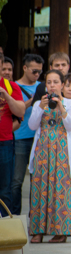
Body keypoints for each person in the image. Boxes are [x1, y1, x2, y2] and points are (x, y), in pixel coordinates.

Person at [27, 69, 71, 243]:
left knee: (60, 189)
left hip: (61, 152)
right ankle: (37, 231)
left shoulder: (70, 103)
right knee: (40, 188)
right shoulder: (39, 104)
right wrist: (40, 108)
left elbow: (70, 126)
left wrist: (61, 107)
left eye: (56, 82)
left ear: (62, 85)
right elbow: (32, 126)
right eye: (49, 82)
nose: (52, 85)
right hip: (43, 150)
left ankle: (60, 231)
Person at [10, 53, 42, 215]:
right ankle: (14, 216)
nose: (37, 75)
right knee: (16, 180)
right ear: (24, 68)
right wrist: (34, 100)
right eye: (34, 71)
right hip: (20, 137)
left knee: (39, 179)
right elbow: (15, 109)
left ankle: (35, 217)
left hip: (39, 138)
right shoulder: (13, 87)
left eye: (39, 72)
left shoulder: (43, 86)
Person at [0, 53, 26, 214]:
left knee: (5, 188)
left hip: (4, 143)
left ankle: (4, 228)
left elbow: (20, 111)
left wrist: (7, 97)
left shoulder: (10, 87)